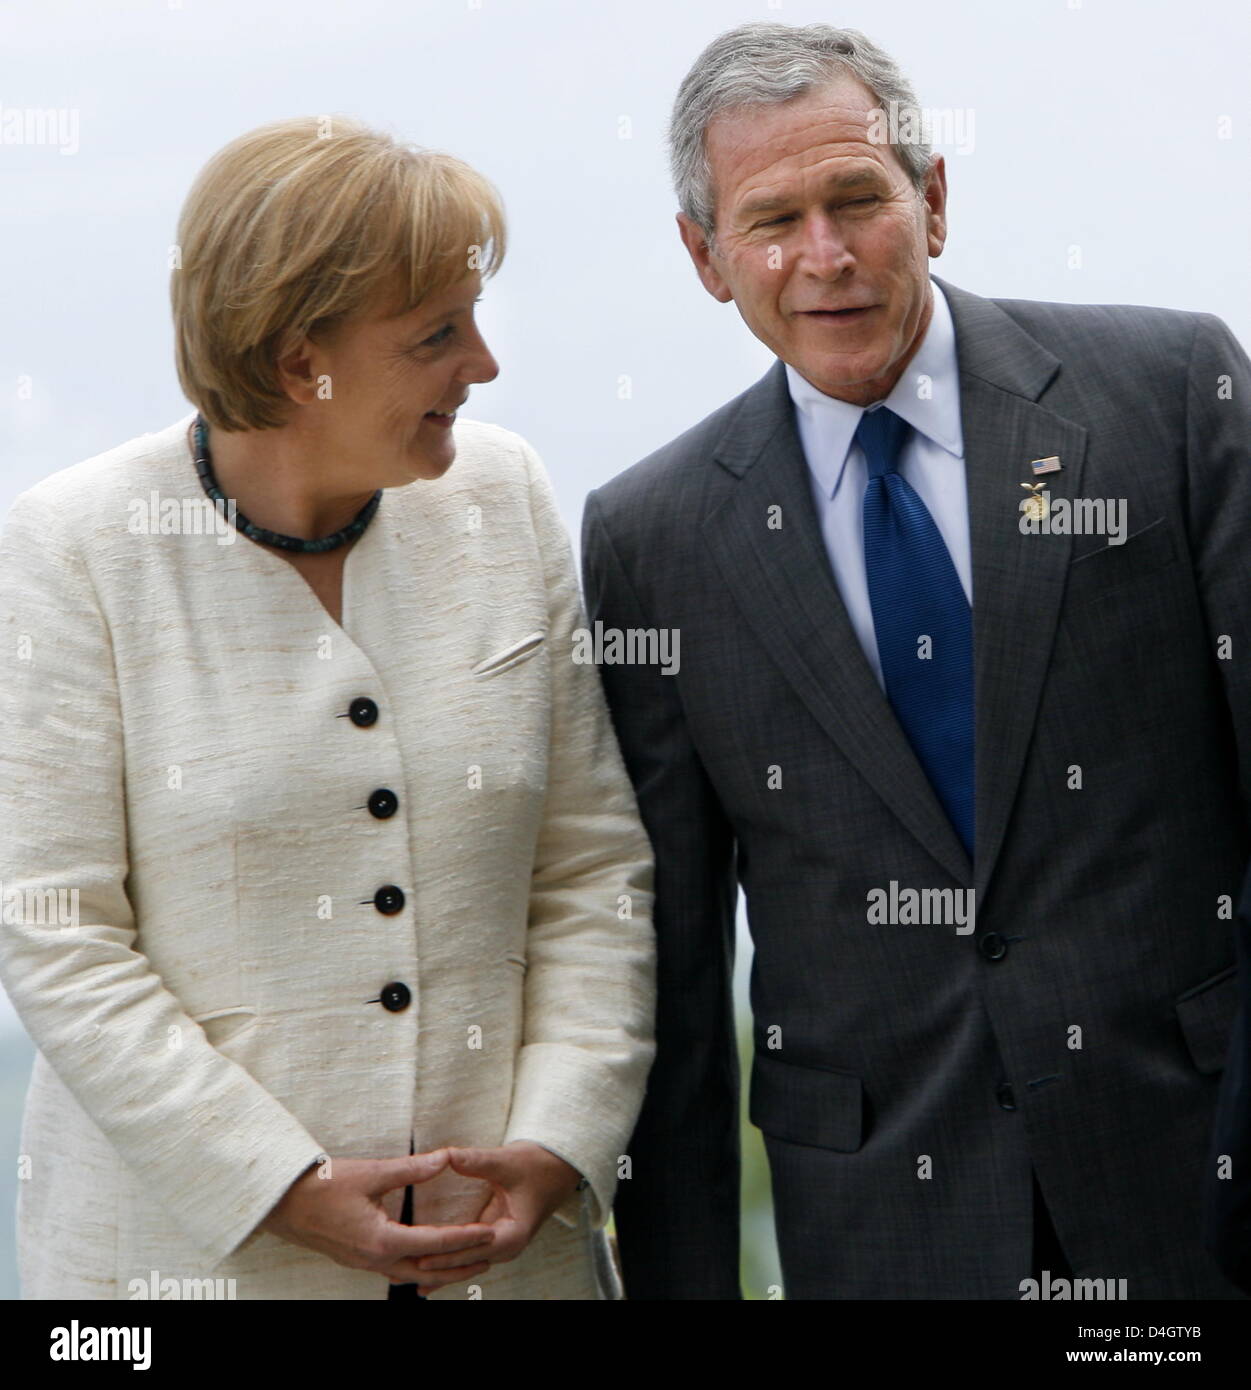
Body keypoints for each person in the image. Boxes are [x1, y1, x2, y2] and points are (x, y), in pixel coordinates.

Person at [582, 22, 1250, 1299]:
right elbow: (668, 974)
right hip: (885, 1226)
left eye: (859, 201)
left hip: (1198, 1176)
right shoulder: (650, 537)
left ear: (933, 201)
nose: (823, 257)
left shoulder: (1169, 397)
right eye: (771, 219)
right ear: (705, 258)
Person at [0, 115, 655, 1300]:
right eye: (438, 334)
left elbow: (590, 868)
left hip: (510, 1269)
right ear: (307, 361)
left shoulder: (503, 498)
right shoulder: (74, 546)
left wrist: (563, 1138)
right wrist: (279, 1184)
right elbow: (61, 931)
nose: (485, 365)